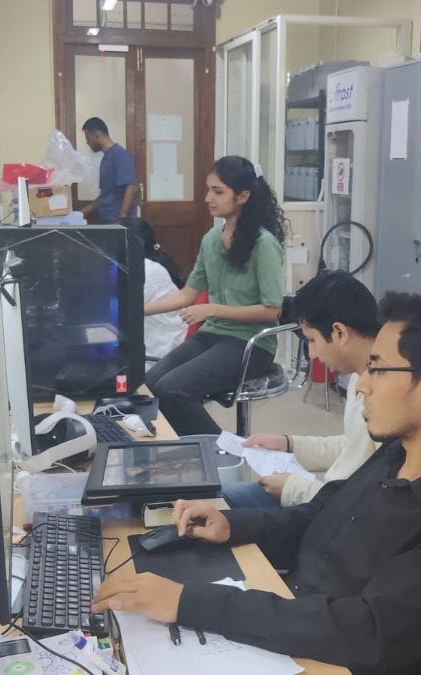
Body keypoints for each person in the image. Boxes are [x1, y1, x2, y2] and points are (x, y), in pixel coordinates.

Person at [93, 287, 421, 675]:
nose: (361, 388)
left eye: (377, 370)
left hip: (327, 655)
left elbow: (362, 629)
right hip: (293, 616)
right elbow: (323, 515)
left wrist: (188, 603)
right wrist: (233, 526)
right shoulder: (397, 454)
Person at [142, 156, 286, 437]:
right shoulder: (211, 239)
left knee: (173, 389)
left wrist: (212, 309)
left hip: (251, 344)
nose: (208, 198)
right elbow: (187, 294)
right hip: (213, 335)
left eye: (218, 191)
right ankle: (191, 451)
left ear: (243, 196)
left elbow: (273, 310)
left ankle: (225, 454)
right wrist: (136, 310)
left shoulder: (263, 244)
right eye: (208, 189)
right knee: (150, 384)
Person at [222, 270, 380, 508]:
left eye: (312, 341)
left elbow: (364, 505)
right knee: (218, 500)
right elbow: (354, 447)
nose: (313, 355)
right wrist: (289, 444)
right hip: (324, 499)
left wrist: (295, 489)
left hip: (333, 518)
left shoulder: (384, 391)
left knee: (221, 508)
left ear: (340, 333)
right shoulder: (363, 374)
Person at [120, 217, 187, 361]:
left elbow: (121, 314)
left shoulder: (142, 269)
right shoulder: (153, 264)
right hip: (169, 345)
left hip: (155, 353)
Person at [79, 117, 138, 223]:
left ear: (97, 135)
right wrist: (83, 212)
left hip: (117, 221)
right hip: (107, 219)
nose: (87, 143)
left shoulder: (120, 155)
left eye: (88, 138)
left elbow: (131, 187)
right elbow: (106, 194)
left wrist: (122, 219)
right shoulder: (106, 158)